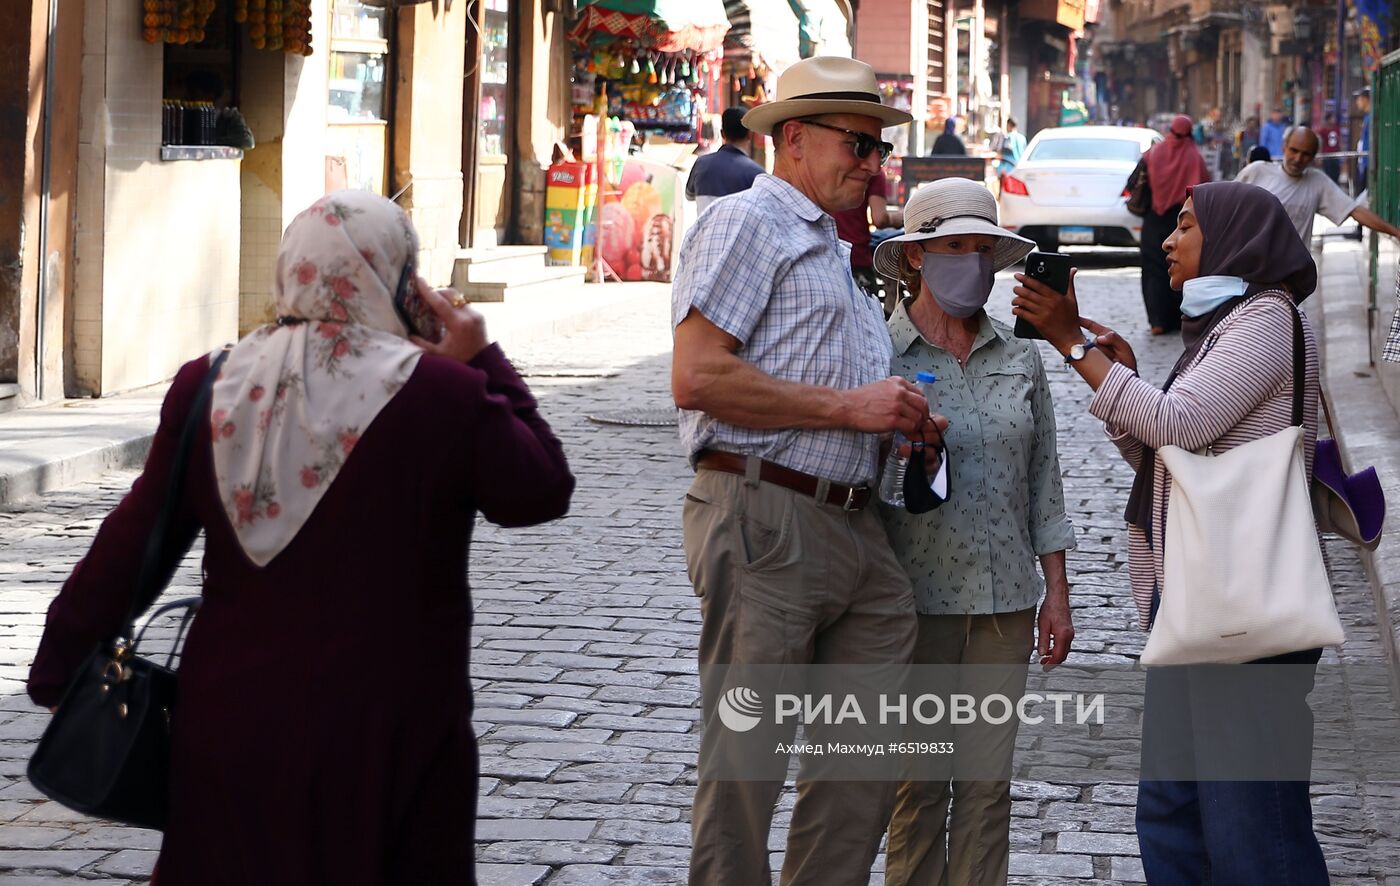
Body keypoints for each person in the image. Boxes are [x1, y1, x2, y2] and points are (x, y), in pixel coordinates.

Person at [26, 191, 575, 882]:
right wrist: (484, 361)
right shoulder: (443, 394)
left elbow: (136, 538)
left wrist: (61, 661)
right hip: (392, 723)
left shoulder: (212, 383)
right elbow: (540, 490)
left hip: (233, 714)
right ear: (400, 279)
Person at [671, 55, 944, 886]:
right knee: (748, 765)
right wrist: (849, 410)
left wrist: (902, 425)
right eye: (858, 145)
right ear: (793, 137)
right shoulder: (749, 220)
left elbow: (834, 388)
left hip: (852, 529)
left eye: (878, 151)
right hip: (765, 514)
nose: (873, 165)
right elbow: (697, 376)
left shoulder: (835, 247)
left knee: (858, 770)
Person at [1011, 180, 1330, 885]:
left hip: (1245, 615)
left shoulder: (1268, 320)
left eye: (1185, 225)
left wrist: (1071, 344)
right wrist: (1119, 382)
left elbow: (1179, 424)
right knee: (1172, 813)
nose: (1167, 239)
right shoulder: (1224, 326)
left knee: (1253, 829)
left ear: (1233, 238)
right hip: (1196, 606)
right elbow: (1172, 457)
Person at [872, 179, 1076, 886]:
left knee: (988, 789)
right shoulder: (881, 354)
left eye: (983, 249)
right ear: (918, 257)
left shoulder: (1020, 357)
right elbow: (861, 486)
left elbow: (1044, 480)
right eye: (955, 246)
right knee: (918, 788)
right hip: (911, 605)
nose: (972, 262)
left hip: (1004, 606)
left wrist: (1057, 591)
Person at [1237, 126, 1400, 244]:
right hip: (1251, 270)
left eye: (1306, 154)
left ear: (1314, 157)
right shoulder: (1256, 171)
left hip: (1289, 276)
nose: (1298, 158)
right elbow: (1224, 205)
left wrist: (1395, 232)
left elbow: (1354, 211)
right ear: (1284, 147)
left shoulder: (1317, 182)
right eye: (1294, 150)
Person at [1137, 115, 1211, 335]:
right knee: (1182, 267)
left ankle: (1157, 321)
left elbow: (1135, 181)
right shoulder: (1194, 158)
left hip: (1153, 220)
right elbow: (1204, 189)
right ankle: (1179, 318)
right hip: (1181, 222)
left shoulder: (1153, 154)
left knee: (1153, 270)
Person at [834, 172, 899, 304]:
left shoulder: (826, 163)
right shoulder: (874, 172)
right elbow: (879, 219)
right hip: (857, 258)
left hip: (827, 255)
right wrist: (906, 215)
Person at [687, 106, 764, 215]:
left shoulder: (701, 163)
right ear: (750, 134)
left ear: (722, 134)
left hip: (704, 232)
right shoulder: (757, 174)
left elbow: (689, 195)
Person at [1317, 112, 1343, 183]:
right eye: (1332, 118)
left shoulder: (1337, 129)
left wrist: (1341, 153)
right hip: (1327, 155)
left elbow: (1339, 141)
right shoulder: (1322, 131)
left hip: (1336, 155)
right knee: (1328, 173)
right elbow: (1320, 143)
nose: (1333, 120)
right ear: (1328, 119)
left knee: (1336, 173)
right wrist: (1320, 156)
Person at [1356, 87, 1372, 194]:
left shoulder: (1371, 118)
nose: (1357, 102)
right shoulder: (1366, 117)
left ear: (1366, 99)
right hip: (1363, 162)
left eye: (1359, 98)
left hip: (1369, 163)